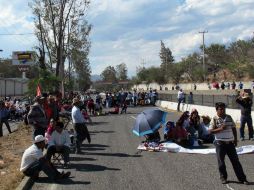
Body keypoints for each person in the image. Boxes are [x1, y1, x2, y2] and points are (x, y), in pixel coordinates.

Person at [209, 102, 249, 185]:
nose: (223, 110)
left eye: (224, 108)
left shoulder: (229, 117)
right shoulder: (214, 119)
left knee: (236, 162)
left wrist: (235, 139)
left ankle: (242, 179)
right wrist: (220, 129)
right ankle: (223, 178)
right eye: (221, 109)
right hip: (220, 143)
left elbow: (234, 128)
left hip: (230, 143)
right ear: (217, 110)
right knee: (221, 162)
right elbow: (210, 131)